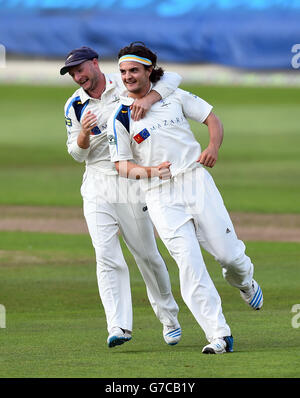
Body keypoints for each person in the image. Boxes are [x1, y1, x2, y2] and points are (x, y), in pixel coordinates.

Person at [108, 42, 263, 354]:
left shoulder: (173, 95)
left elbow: (212, 119)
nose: (128, 76)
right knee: (188, 263)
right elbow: (121, 165)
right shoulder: (121, 116)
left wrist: (212, 148)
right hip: (160, 194)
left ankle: (245, 282)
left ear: (149, 70)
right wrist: (150, 171)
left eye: (134, 70)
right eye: (123, 71)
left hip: (195, 180)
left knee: (229, 256)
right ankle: (219, 334)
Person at [60, 46, 183, 348]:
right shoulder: (74, 106)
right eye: (73, 73)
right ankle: (118, 325)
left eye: (81, 69)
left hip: (129, 180)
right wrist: (84, 135)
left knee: (147, 255)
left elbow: (173, 79)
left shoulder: (125, 81)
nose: (78, 77)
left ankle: (169, 318)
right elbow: (76, 154)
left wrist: (151, 97)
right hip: (97, 183)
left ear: (95, 64)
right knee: (105, 255)